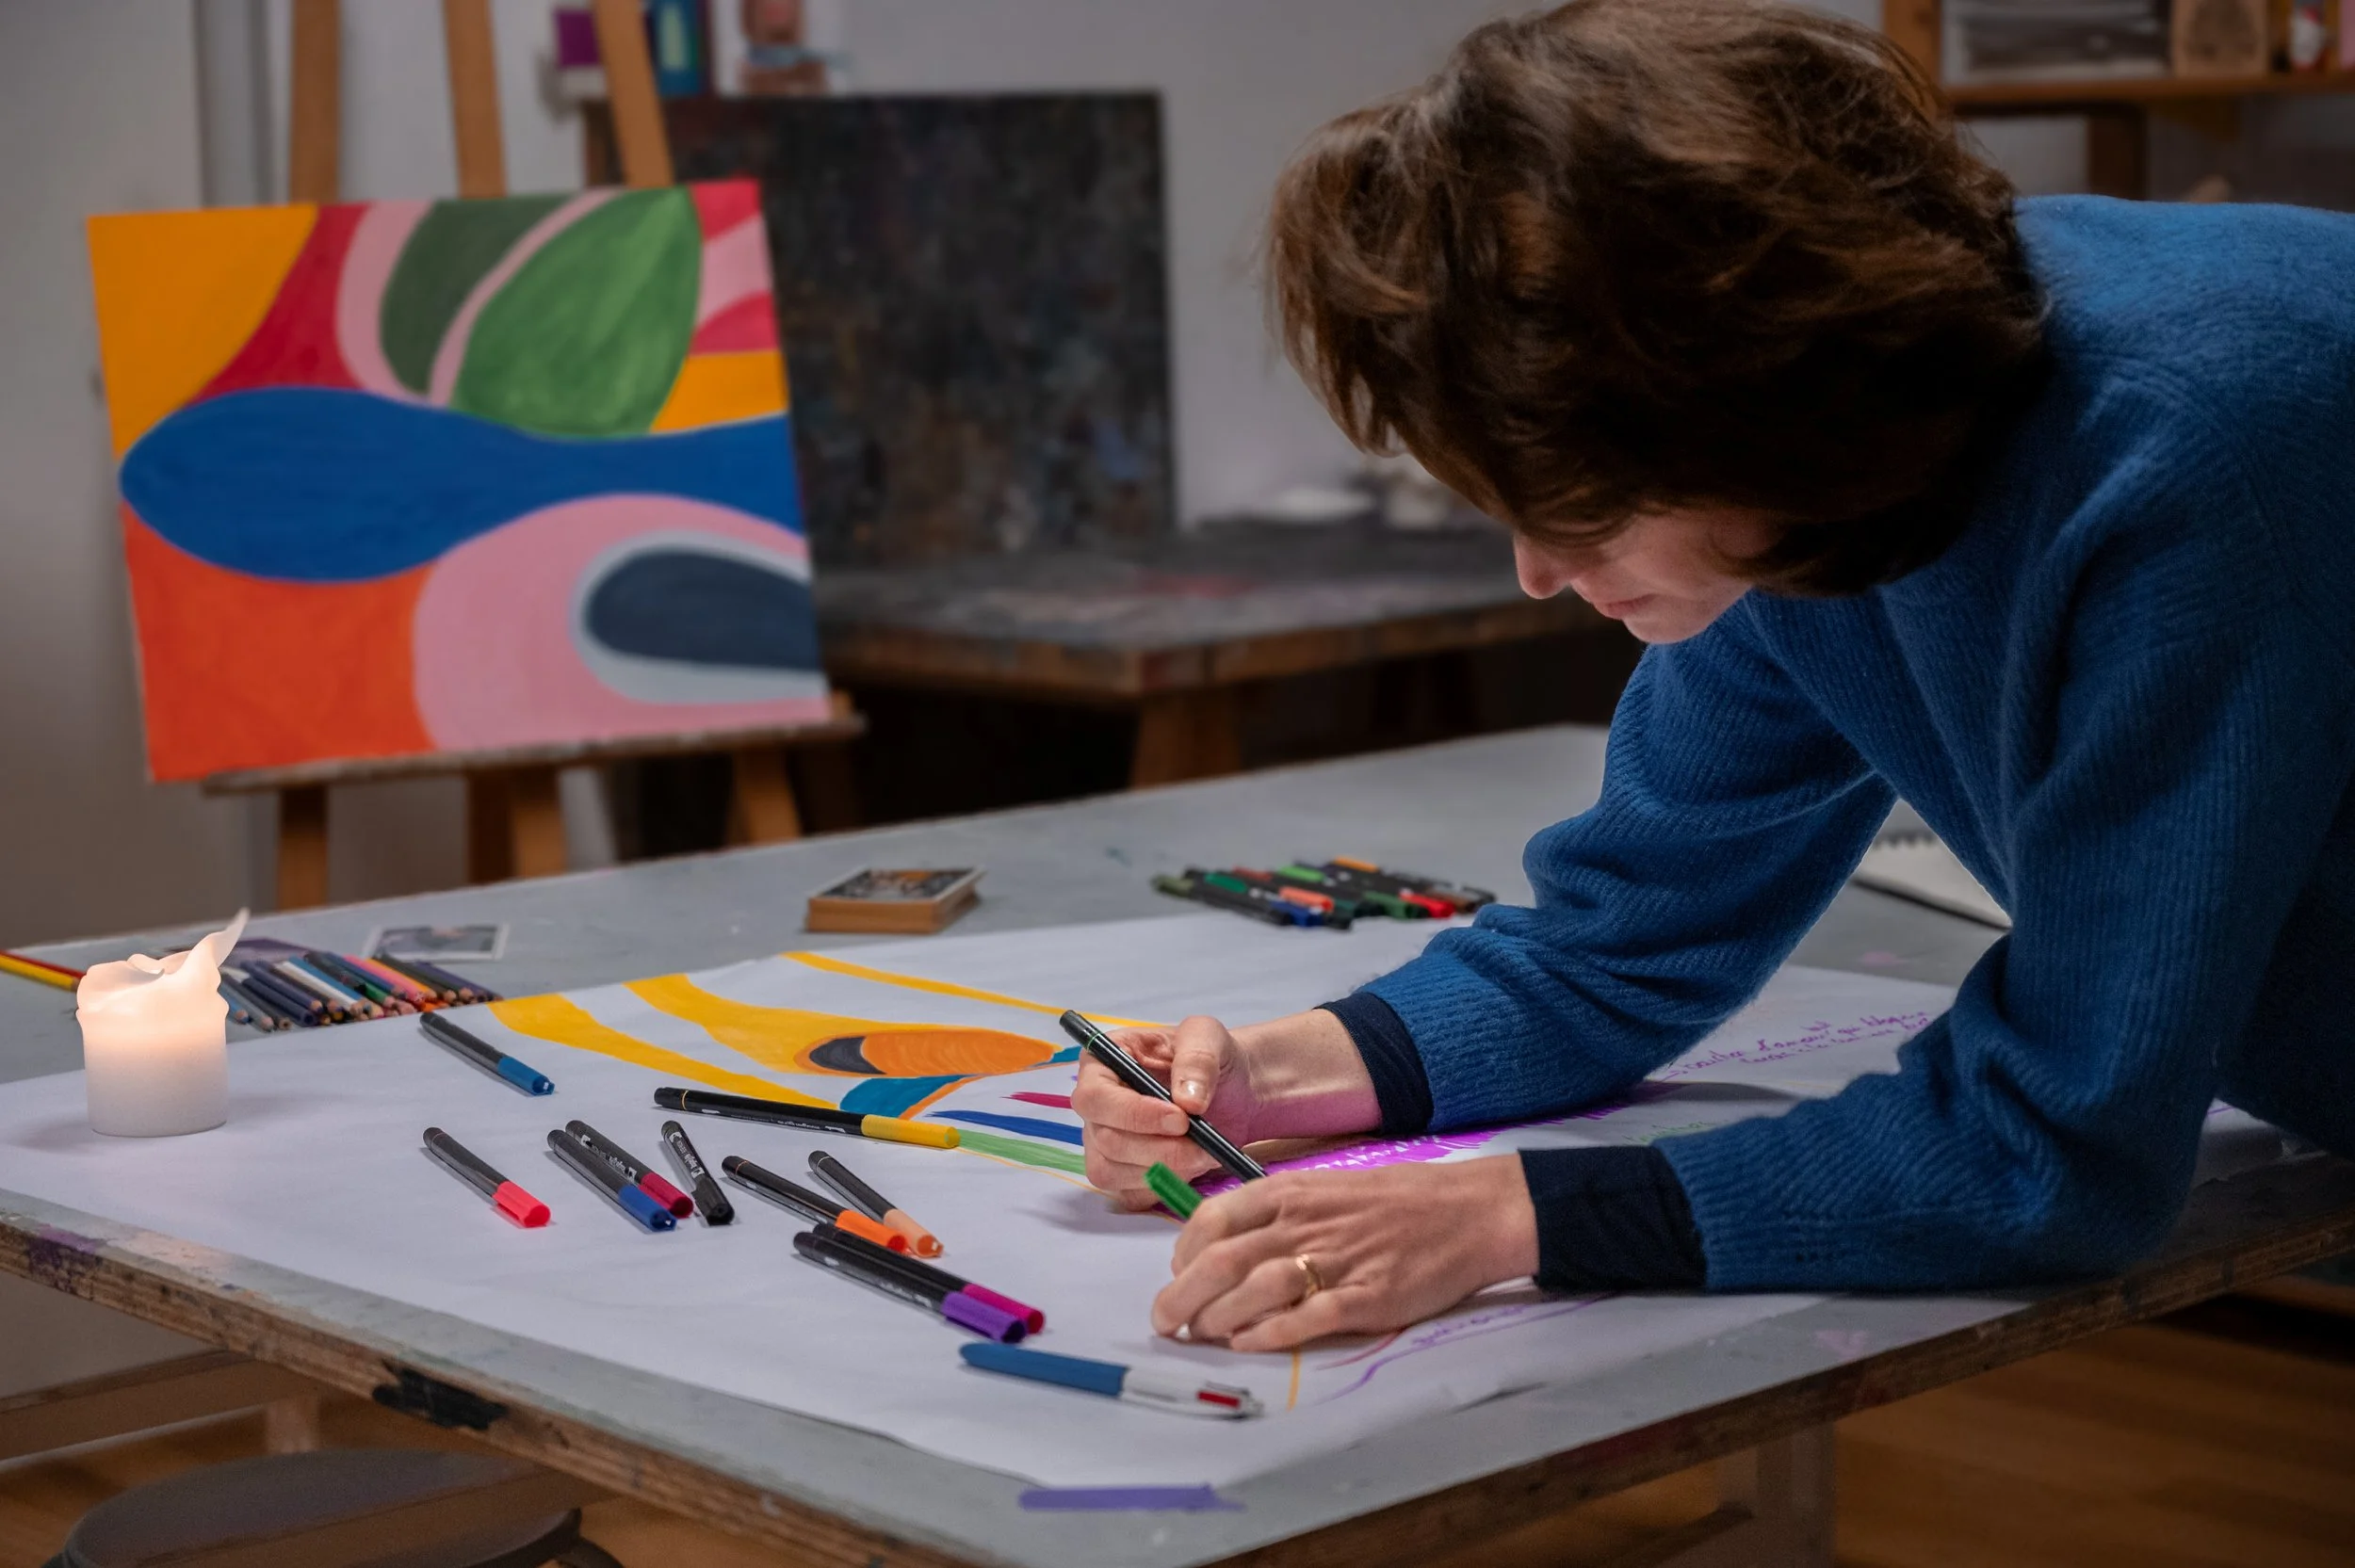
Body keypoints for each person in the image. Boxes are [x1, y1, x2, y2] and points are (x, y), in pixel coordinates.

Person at [1072, 0, 2355, 1352]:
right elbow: (1624, 942)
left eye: (1580, 512)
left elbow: (2056, 1146)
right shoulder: (1791, 479)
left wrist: (1509, 1219)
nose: (1538, 573)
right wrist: (1272, 1076)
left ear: (1755, 416)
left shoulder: (2191, 461)